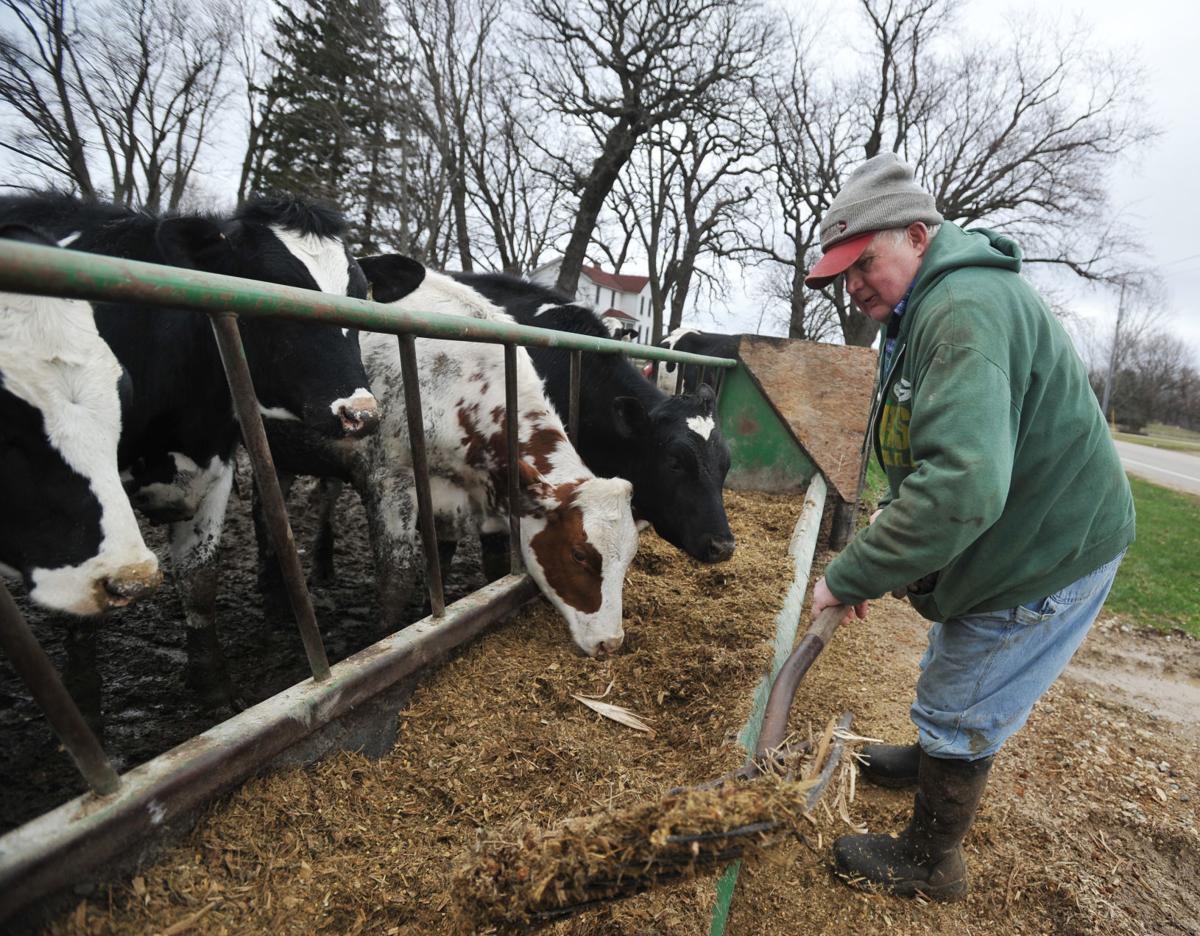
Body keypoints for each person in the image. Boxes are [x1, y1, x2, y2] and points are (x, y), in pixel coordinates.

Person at [806, 153, 1135, 901]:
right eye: (842, 275)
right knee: (953, 667)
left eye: (865, 264)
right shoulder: (927, 307)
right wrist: (883, 555)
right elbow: (937, 456)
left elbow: (962, 484)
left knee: (964, 689)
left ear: (918, 237)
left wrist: (846, 576)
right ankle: (932, 760)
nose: (853, 287)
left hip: (1052, 542)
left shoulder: (960, 311)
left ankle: (930, 862)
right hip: (1030, 517)